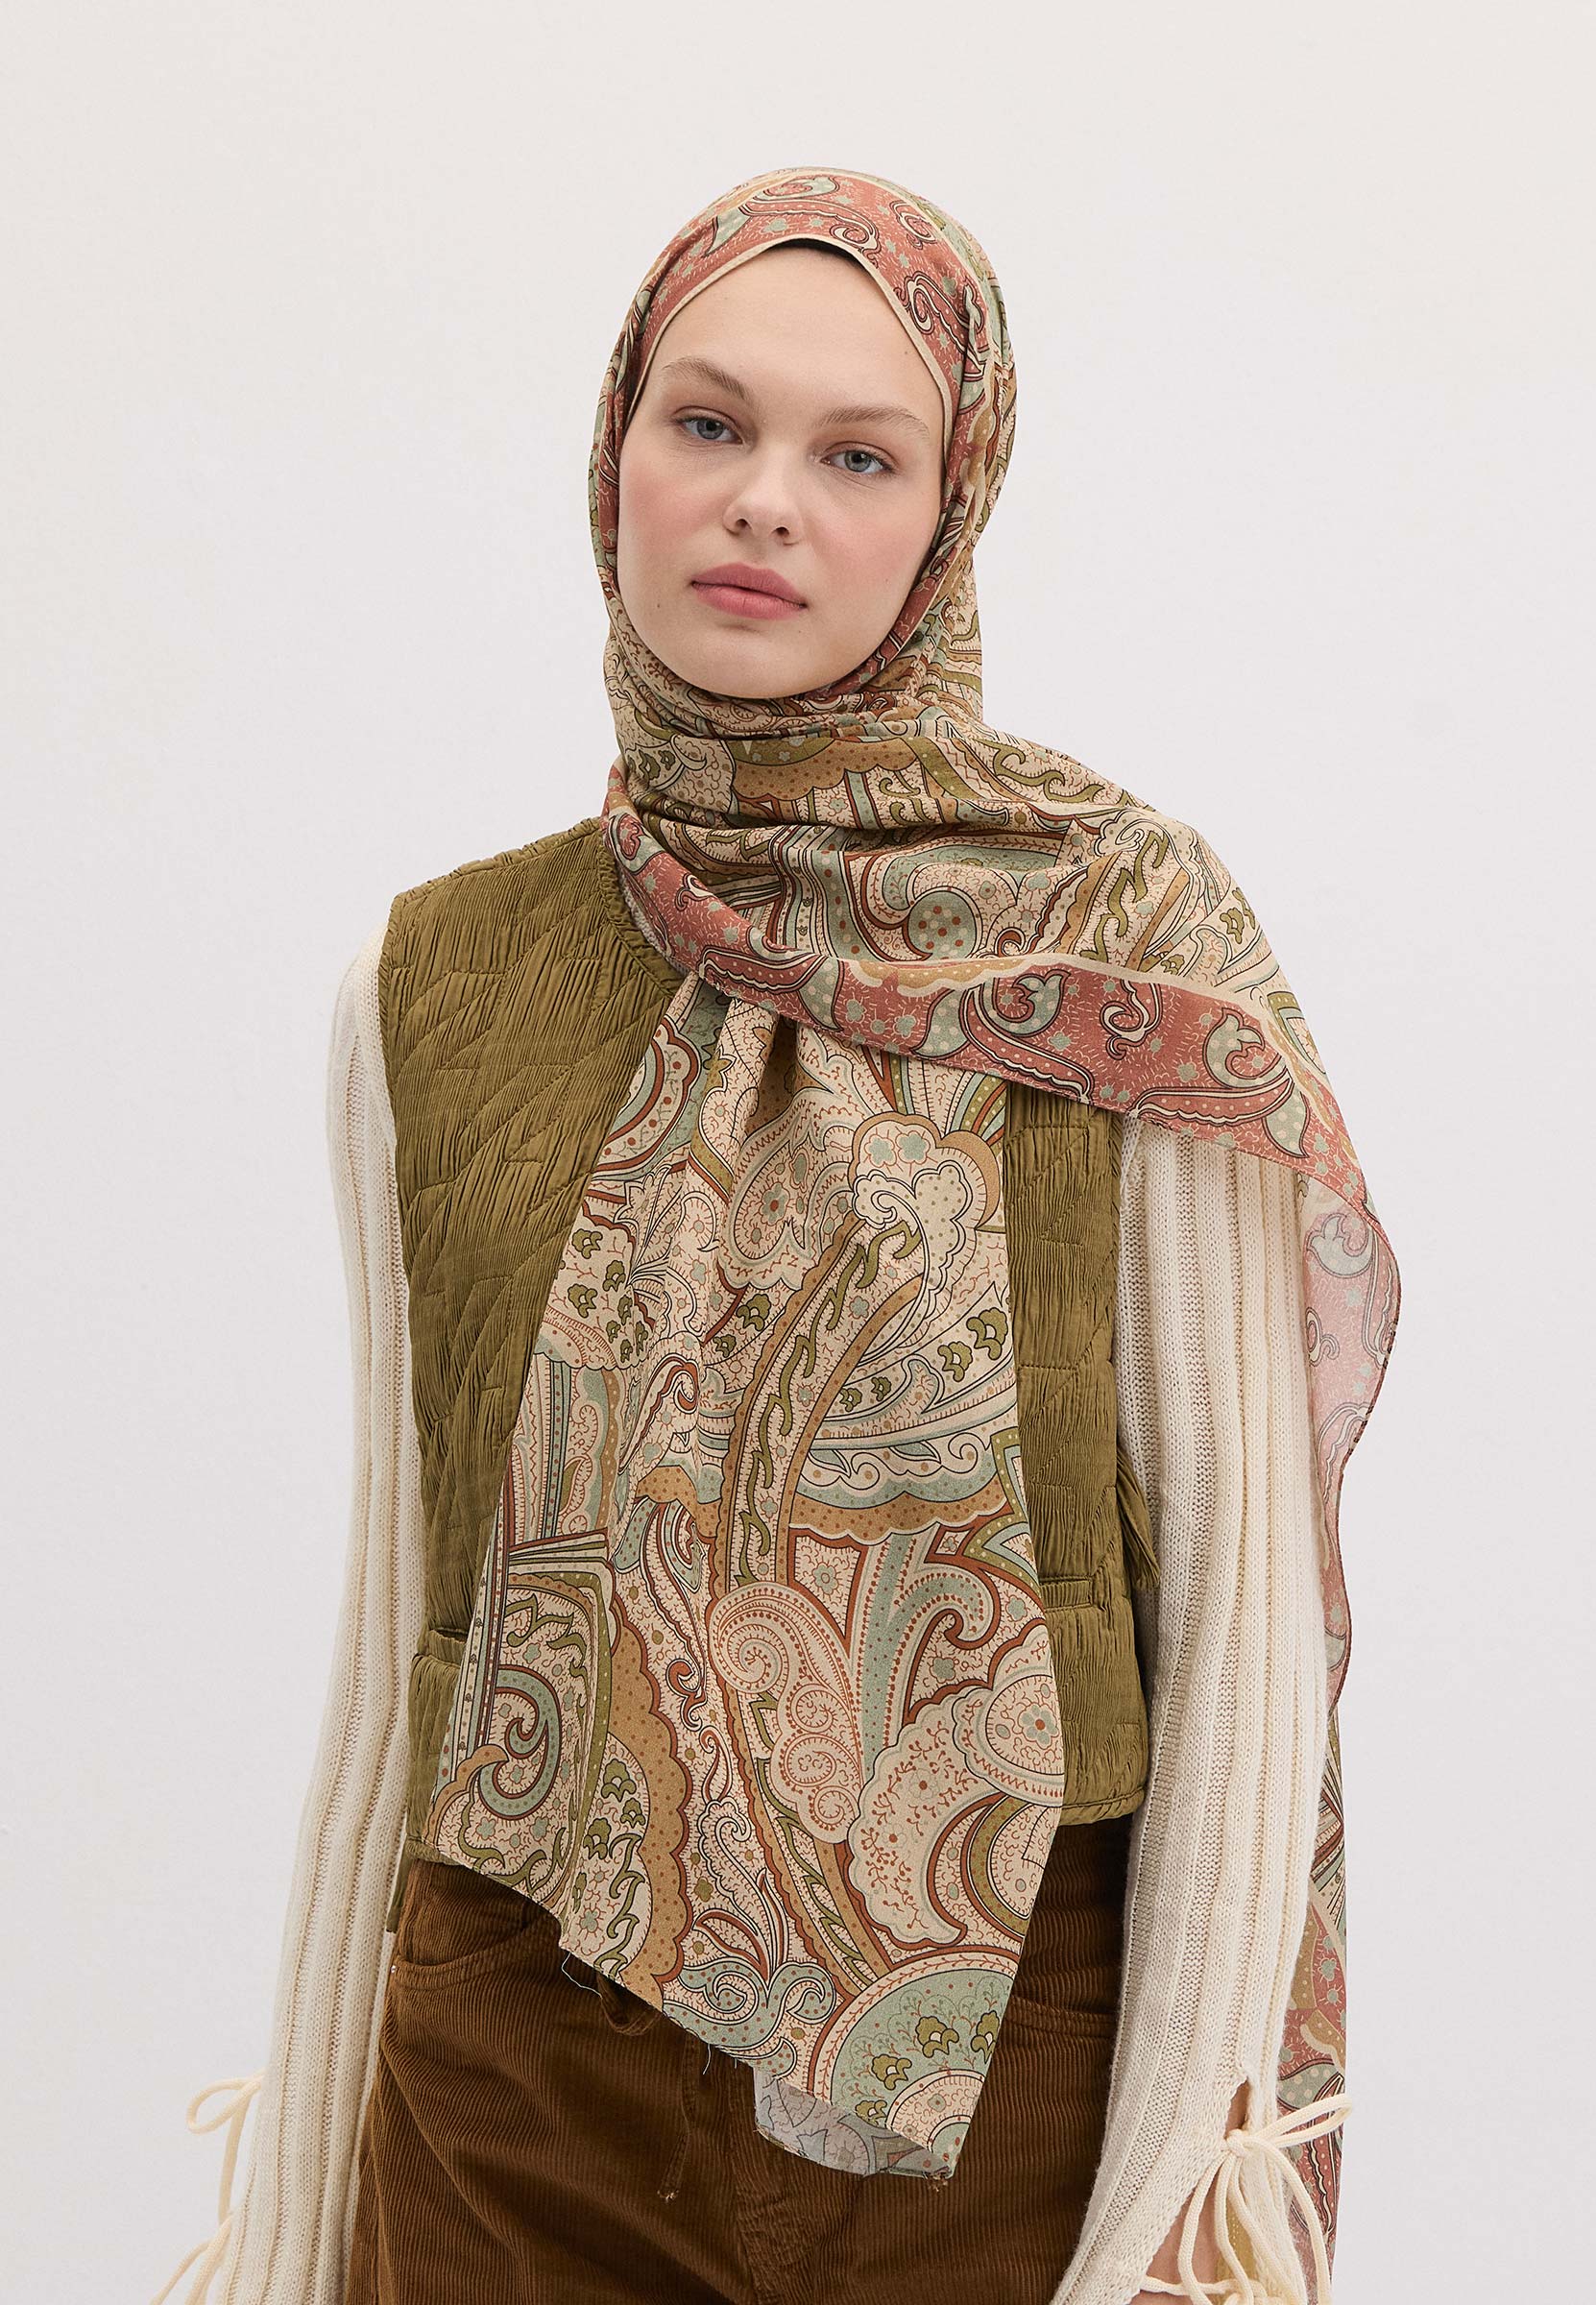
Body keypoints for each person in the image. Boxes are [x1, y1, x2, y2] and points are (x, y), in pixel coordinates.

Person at [153, 166, 1399, 2305]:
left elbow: (1240, 1645)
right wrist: (289, 2240)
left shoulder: (1122, 950)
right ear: (614, 454)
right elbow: (402, 1629)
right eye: (709, 423)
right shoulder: (426, 984)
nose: (762, 503)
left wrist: (1183, 2225)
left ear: (950, 511)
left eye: (858, 457)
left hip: (1005, 2087)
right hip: (506, 2079)